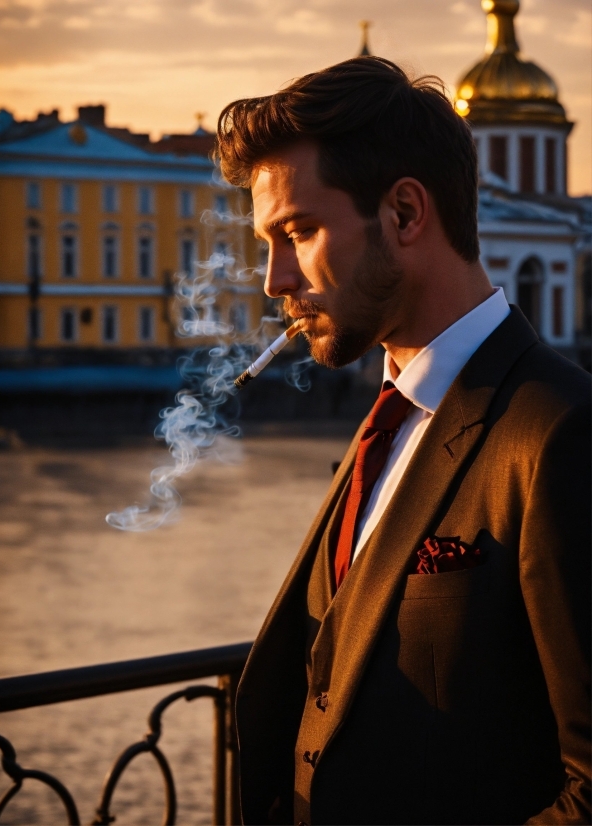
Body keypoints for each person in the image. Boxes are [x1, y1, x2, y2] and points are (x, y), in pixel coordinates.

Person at [215, 56, 591, 825]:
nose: (273, 280)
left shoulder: (561, 431)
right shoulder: (389, 420)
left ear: (407, 214)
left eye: (298, 232)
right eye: (268, 242)